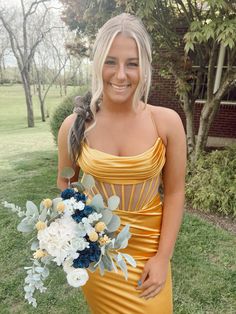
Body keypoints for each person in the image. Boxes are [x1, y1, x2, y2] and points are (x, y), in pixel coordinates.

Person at [57, 13, 186, 314]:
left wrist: (163, 257)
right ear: (98, 63)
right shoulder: (74, 126)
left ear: (146, 67)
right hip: (99, 261)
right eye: (111, 61)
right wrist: (76, 235)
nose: (120, 75)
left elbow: (176, 192)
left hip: (148, 257)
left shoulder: (166, 122)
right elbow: (65, 183)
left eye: (132, 63)